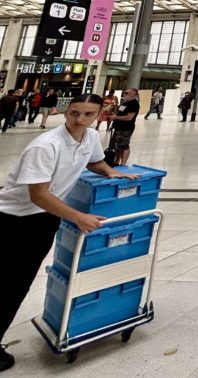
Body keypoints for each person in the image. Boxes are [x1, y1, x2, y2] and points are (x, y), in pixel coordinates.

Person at [0, 93, 138, 373]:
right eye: (74, 113)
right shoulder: (45, 146)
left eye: (88, 114)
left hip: (43, 220)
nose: (79, 119)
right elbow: (38, 194)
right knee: (7, 283)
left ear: (99, 115)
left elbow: (93, 162)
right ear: (65, 112)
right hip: (13, 220)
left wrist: (111, 172)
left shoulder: (88, 138)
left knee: (18, 283)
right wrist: (77, 217)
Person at [105, 88, 140, 167]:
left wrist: (116, 117)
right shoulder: (125, 103)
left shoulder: (134, 104)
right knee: (117, 146)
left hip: (126, 128)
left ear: (133, 94)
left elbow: (129, 117)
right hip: (118, 127)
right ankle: (117, 161)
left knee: (124, 146)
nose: (124, 94)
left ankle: (123, 163)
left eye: (126, 93)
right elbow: (120, 113)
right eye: (124, 93)